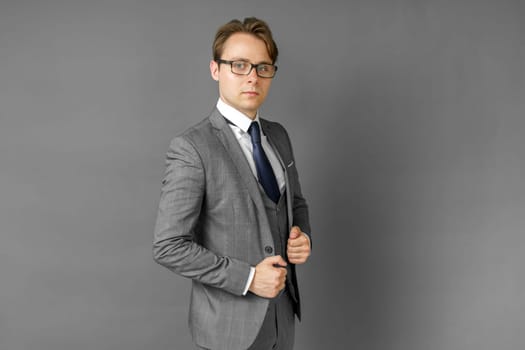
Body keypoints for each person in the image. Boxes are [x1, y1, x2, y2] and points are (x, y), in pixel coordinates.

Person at [153, 17, 311, 350]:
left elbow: (295, 202)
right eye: (239, 65)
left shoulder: (279, 136)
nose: (252, 76)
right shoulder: (192, 147)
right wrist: (250, 278)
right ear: (216, 70)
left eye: (263, 67)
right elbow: (169, 246)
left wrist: (302, 235)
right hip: (227, 329)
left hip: (283, 319)